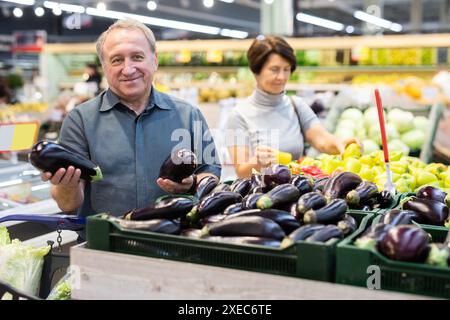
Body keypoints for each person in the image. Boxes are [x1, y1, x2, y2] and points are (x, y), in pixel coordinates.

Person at [41, 19, 221, 224]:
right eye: (117, 60)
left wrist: (193, 184)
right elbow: (68, 205)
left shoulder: (189, 115)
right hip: (105, 243)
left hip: (175, 240)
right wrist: (66, 186)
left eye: (137, 57)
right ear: (104, 66)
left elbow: (211, 173)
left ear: (154, 60)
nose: (128, 69)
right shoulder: (80, 120)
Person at [225, 36, 359, 178]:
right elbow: (241, 171)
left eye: (286, 69)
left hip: (295, 194)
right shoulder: (238, 115)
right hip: (260, 196)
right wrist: (257, 162)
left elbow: (322, 140)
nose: (282, 77)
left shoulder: (296, 105)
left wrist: (341, 143)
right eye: (274, 69)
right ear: (256, 71)